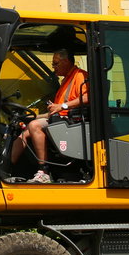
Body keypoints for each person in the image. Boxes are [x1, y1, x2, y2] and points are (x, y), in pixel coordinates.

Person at [11, 49, 88, 184]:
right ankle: (7, 168)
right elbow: (54, 111)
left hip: (71, 121)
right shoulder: (65, 81)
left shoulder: (80, 76)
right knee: (24, 131)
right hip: (60, 118)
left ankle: (44, 171)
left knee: (35, 126)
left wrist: (63, 106)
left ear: (66, 61)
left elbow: (87, 97)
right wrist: (31, 116)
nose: (54, 67)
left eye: (56, 63)